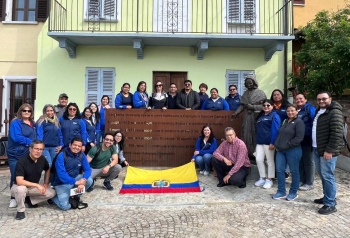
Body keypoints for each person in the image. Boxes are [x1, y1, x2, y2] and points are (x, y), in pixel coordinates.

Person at [312, 91, 343, 215]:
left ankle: (330, 204)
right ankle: (327, 197)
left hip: (327, 151)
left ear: (330, 98)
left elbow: (337, 134)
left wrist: (329, 150)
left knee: (328, 175)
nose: (321, 101)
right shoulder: (319, 111)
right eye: (319, 99)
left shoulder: (334, 112)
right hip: (317, 148)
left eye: (324, 99)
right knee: (323, 175)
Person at [11, 140, 56, 220]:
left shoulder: (42, 159)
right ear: (30, 149)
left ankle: (30, 201)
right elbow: (19, 181)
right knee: (21, 189)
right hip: (18, 187)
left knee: (52, 192)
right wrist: (37, 185)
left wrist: (46, 182)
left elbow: (48, 169)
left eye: (41, 149)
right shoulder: (22, 162)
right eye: (36, 149)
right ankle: (20, 211)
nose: (38, 151)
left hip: (32, 189)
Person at [7, 103, 37, 208]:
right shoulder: (16, 123)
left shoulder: (33, 124)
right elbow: (16, 138)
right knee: (15, 175)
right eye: (25, 110)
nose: (27, 112)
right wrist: (31, 142)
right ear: (20, 111)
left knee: (28, 175)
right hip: (16, 153)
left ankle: (25, 197)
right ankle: (13, 198)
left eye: (29, 111)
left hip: (28, 153)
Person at [273, 104, 305, 201]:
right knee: (279, 170)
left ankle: (293, 192)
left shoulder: (299, 122)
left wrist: (288, 144)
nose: (290, 112)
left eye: (292, 110)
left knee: (294, 171)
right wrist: (277, 144)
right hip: (281, 150)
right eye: (288, 111)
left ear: (296, 111)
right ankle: (281, 191)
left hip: (293, 150)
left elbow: (299, 138)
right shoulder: (285, 121)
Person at [51, 138, 93, 211]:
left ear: (81, 147)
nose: (76, 147)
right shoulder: (61, 155)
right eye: (74, 145)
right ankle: (52, 197)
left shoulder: (81, 155)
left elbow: (88, 169)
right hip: (61, 183)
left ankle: (75, 195)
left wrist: (83, 180)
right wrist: (76, 182)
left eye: (79, 146)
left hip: (74, 178)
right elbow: (61, 174)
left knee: (89, 180)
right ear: (70, 145)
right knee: (65, 207)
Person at [231, 75, 267, 159]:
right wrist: (236, 113)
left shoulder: (260, 93)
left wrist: (253, 107)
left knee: (255, 134)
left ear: (254, 82)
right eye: (247, 83)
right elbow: (242, 105)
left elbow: (264, 106)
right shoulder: (245, 93)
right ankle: (246, 153)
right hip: (247, 117)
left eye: (250, 83)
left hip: (256, 116)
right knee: (246, 133)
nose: (249, 85)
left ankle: (256, 153)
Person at [254, 99, 281, 189]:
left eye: (268, 105)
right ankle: (262, 177)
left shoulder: (274, 116)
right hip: (260, 142)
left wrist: (272, 142)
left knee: (270, 161)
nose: (266, 107)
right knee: (258, 159)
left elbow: (275, 130)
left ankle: (269, 179)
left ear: (272, 106)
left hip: (269, 143)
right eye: (264, 105)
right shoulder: (260, 116)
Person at [295, 94, 316, 191]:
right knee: (300, 160)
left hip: (308, 138)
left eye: (301, 98)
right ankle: (302, 180)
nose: (298, 100)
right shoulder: (297, 110)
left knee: (308, 161)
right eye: (297, 99)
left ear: (305, 99)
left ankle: (309, 182)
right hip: (298, 139)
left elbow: (315, 122)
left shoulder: (310, 109)